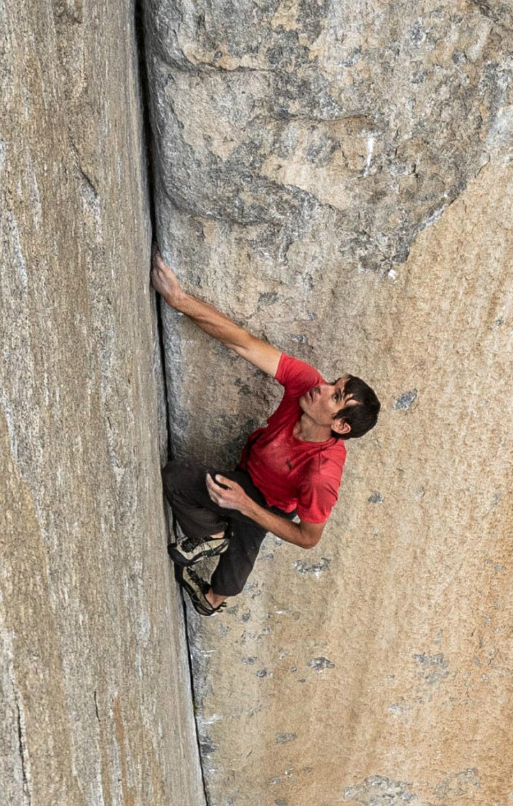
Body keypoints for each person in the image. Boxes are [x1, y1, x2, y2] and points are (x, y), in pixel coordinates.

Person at [150, 256, 381, 612]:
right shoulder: (306, 384)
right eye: (334, 382)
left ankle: (211, 598)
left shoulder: (322, 474)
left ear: (340, 426)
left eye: (335, 394)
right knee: (178, 477)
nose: (322, 386)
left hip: (272, 504)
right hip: (249, 474)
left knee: (231, 575)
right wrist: (179, 299)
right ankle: (212, 536)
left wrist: (245, 504)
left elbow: (308, 538)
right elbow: (242, 343)